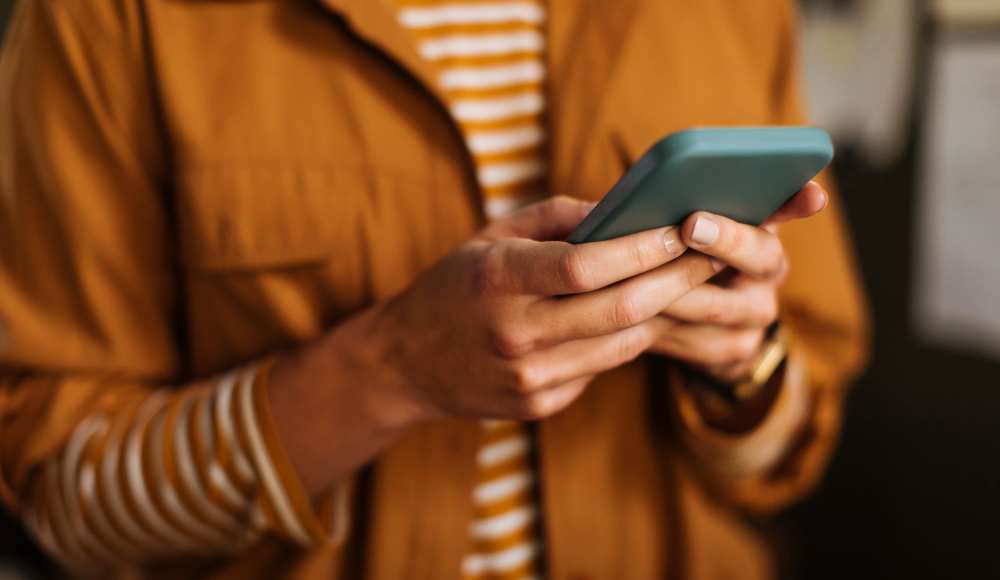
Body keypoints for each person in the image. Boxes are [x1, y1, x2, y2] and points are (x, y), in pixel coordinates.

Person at [0, 1, 869, 578]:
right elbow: (58, 494)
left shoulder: (735, 10)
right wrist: (391, 371)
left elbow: (795, 445)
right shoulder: (110, 19)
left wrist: (741, 368)